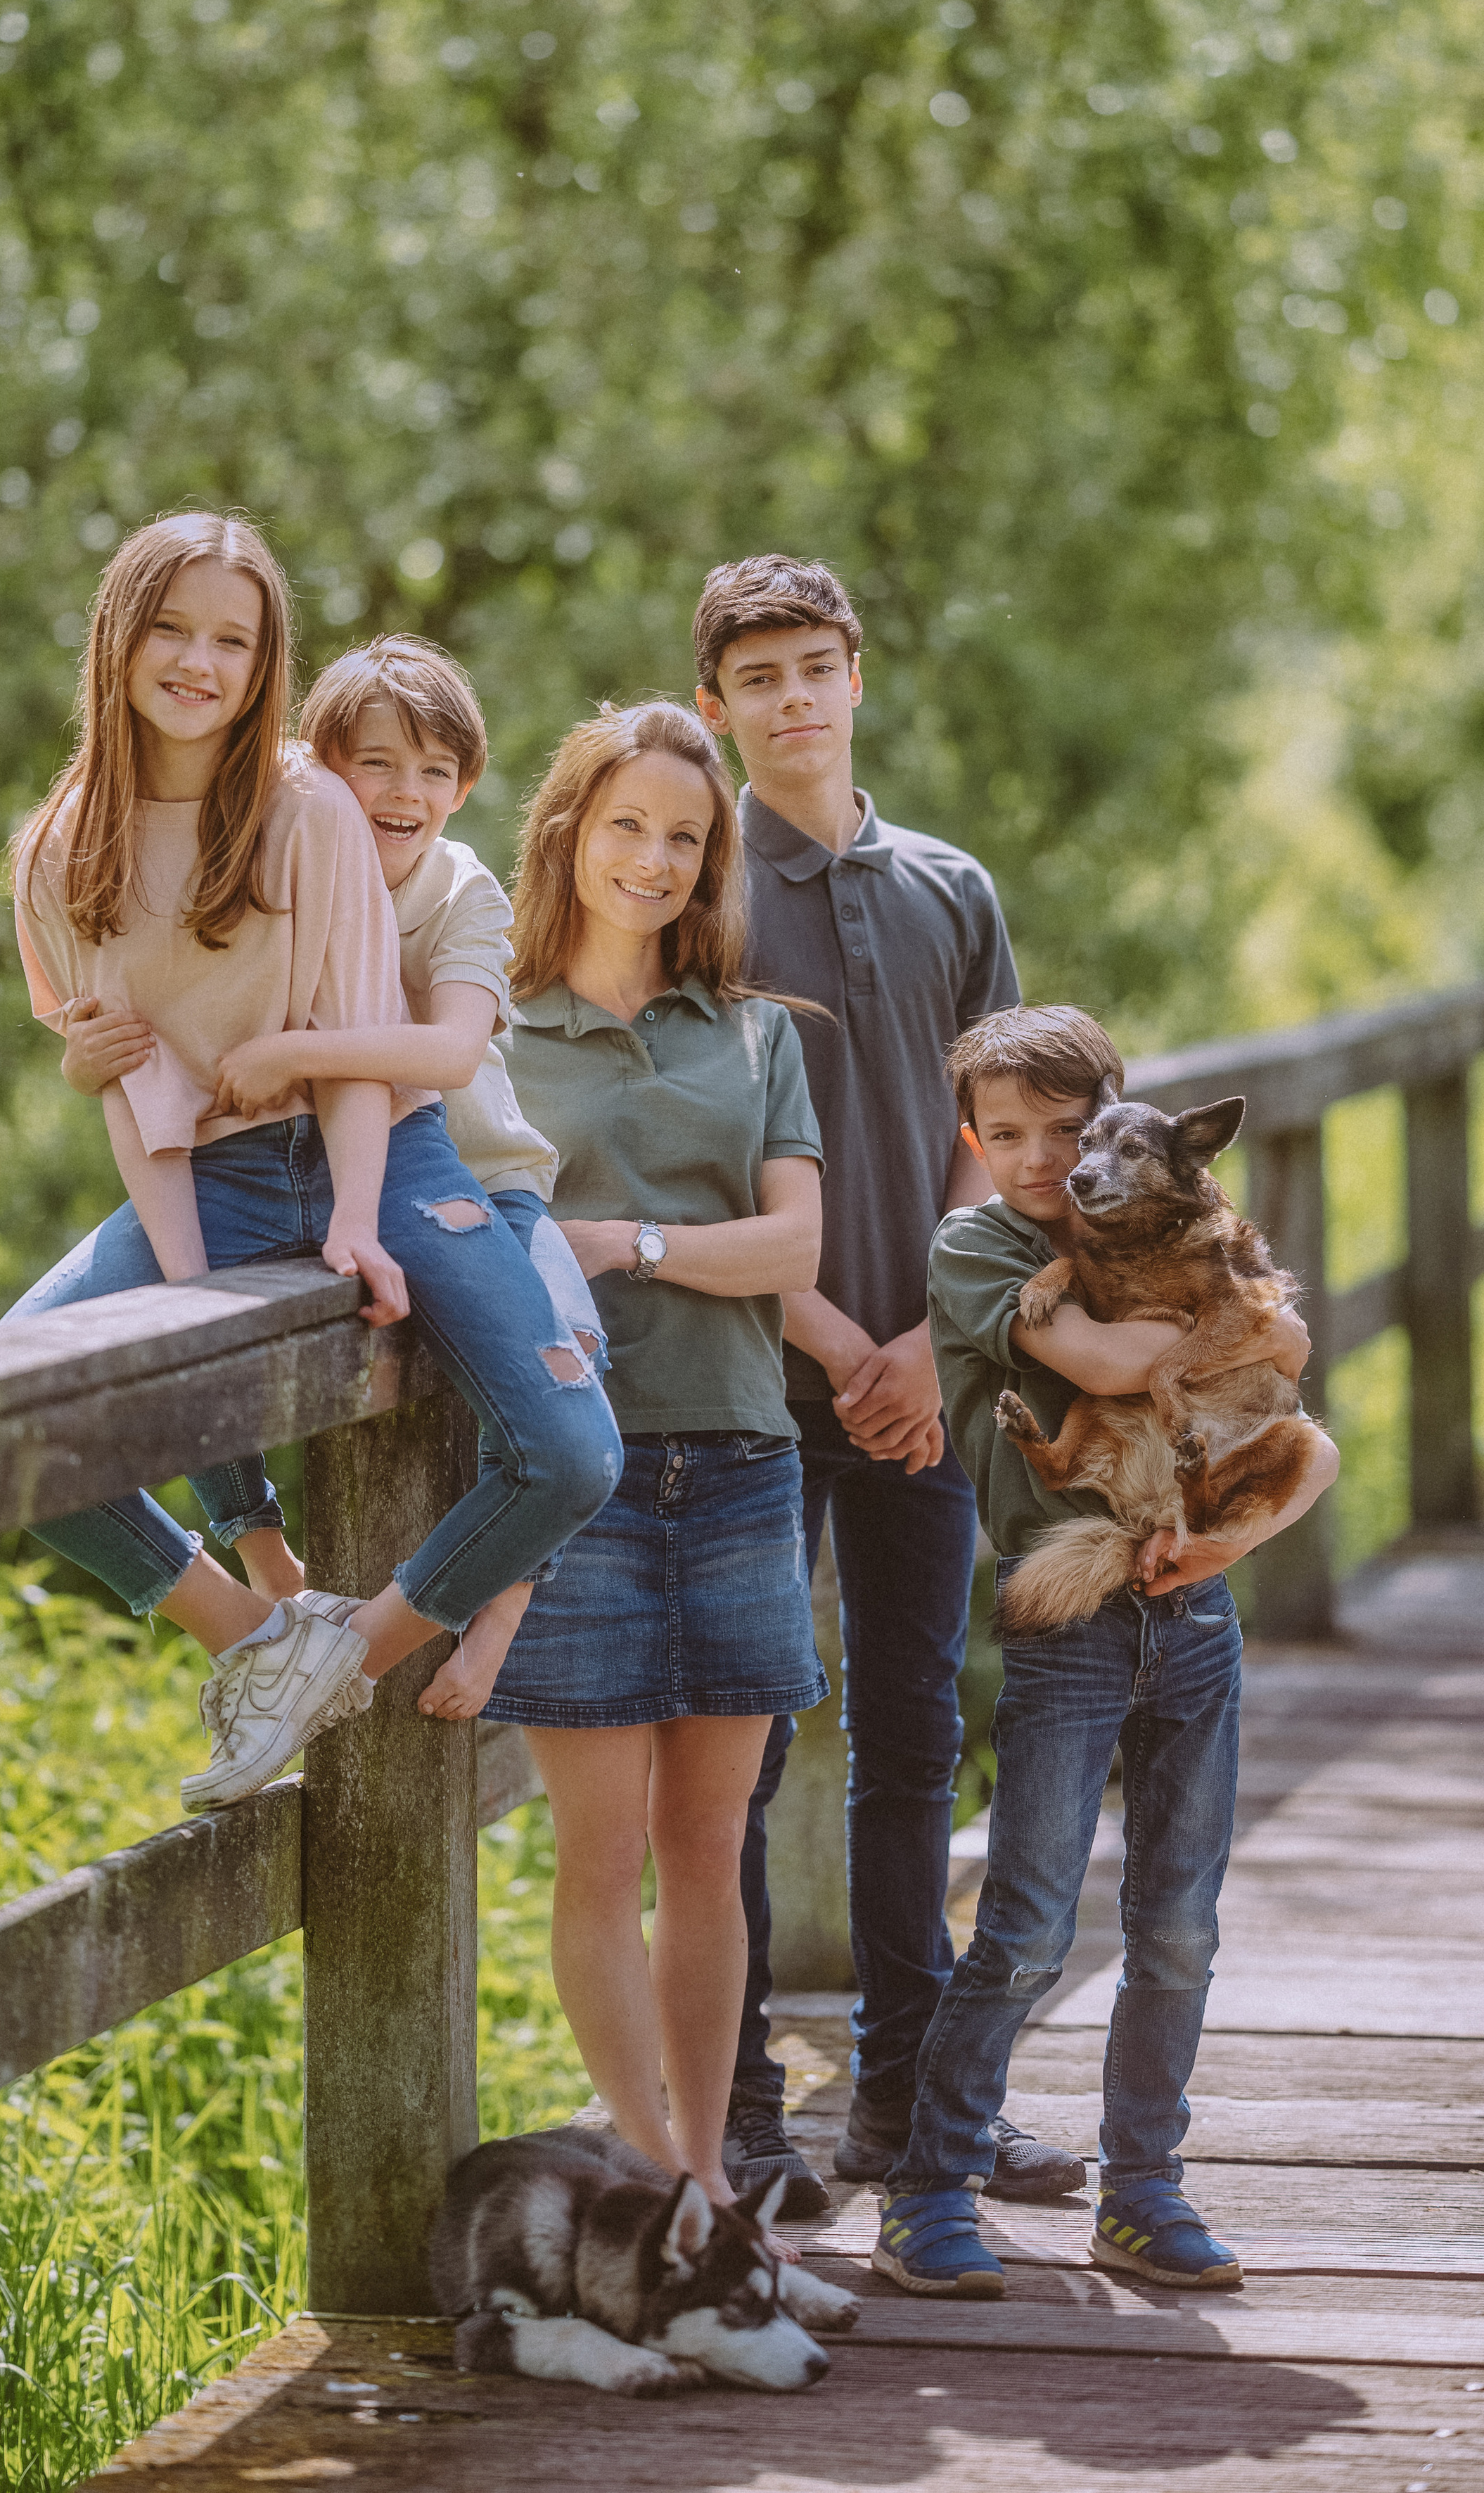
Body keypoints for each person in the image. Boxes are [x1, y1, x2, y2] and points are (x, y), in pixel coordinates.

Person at [8, 512, 621, 1809]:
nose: (199, 662)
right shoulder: (63, 847)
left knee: (572, 1449)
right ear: (118, 636)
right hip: (209, 1178)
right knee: (14, 1414)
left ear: (265, 662)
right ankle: (254, 1634)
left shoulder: (311, 808)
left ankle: (344, 1647)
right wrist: (187, 1290)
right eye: (172, 629)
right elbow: (126, 1077)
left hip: (388, 1149)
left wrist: (354, 1213)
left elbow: (357, 1028)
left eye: (231, 640)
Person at [691, 553, 1080, 2214]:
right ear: (716, 706)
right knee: (740, 1752)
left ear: (856, 677)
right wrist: (831, 1339)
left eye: (813, 668)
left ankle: (911, 2102)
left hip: (929, 1382)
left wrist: (928, 1333)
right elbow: (681, 1150)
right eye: (756, 678)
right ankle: (740, 2121)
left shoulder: (948, 887)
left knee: (915, 1732)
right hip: (747, 1382)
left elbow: (1005, 1137)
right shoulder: (695, 887)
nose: (791, 699)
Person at [873, 1002, 1336, 2298]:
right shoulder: (980, 1247)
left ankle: (1142, 2191)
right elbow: (1114, 1361)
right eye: (1010, 1134)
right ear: (975, 1140)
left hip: (1194, 1610)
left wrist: (1231, 1540)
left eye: (1072, 1132)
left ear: (1123, 1128)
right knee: (1025, 1926)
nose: (1050, 1161)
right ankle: (929, 2190)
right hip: (1072, 1628)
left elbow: (1292, 1406)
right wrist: (1263, 1327)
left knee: (1179, 1926)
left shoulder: (1166, 1227)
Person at [481, 698, 830, 2214]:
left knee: (707, 1846)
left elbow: (794, 1248)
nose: (654, 858)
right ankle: (660, 2188)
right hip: (577, 1483)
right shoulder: (486, 1034)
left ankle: (709, 2190)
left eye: (685, 837)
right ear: (569, 832)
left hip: (743, 1463)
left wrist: (620, 1241)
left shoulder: (755, 1033)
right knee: (600, 1853)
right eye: (627, 824)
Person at [196, 631, 608, 1719]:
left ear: (464, 787)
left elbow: (450, 1053)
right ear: (317, 765)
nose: (406, 792)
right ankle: (269, 1563)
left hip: (481, 1176)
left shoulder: (460, 886)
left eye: (434, 770)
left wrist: (294, 1053)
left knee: (570, 1352)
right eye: (375, 763)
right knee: (198, 1319)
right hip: (329, 1171)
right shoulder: (281, 860)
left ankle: (489, 1617)